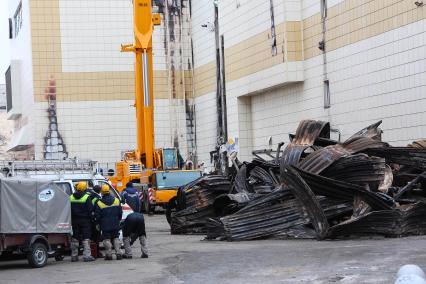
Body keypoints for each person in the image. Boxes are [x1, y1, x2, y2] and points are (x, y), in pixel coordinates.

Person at [95, 184, 123, 260]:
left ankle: (109, 255)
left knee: (106, 239)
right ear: (109, 191)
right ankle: (118, 253)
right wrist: (118, 220)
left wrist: (98, 223)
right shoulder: (117, 200)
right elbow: (120, 213)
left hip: (105, 225)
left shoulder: (99, 202)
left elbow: (97, 216)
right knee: (116, 237)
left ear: (102, 192)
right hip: (115, 223)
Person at [69, 181, 95, 262]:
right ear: (84, 189)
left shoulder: (71, 197)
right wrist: (92, 220)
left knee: (75, 237)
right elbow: (90, 210)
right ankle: (87, 256)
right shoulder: (87, 197)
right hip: (85, 221)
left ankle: (74, 256)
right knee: (86, 238)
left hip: (74, 220)